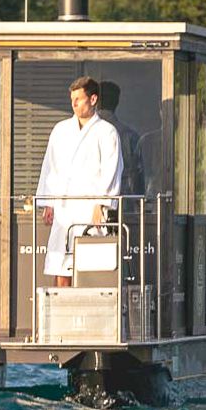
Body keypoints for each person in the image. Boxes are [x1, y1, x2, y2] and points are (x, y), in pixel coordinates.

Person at [37, 76, 123, 287]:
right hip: (64, 207)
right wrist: (48, 201)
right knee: (61, 264)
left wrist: (101, 203)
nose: (74, 104)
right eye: (72, 99)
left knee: (90, 266)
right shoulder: (60, 130)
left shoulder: (107, 132)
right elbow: (50, 166)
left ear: (93, 99)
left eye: (79, 99)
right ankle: (61, 312)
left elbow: (112, 170)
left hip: (89, 208)